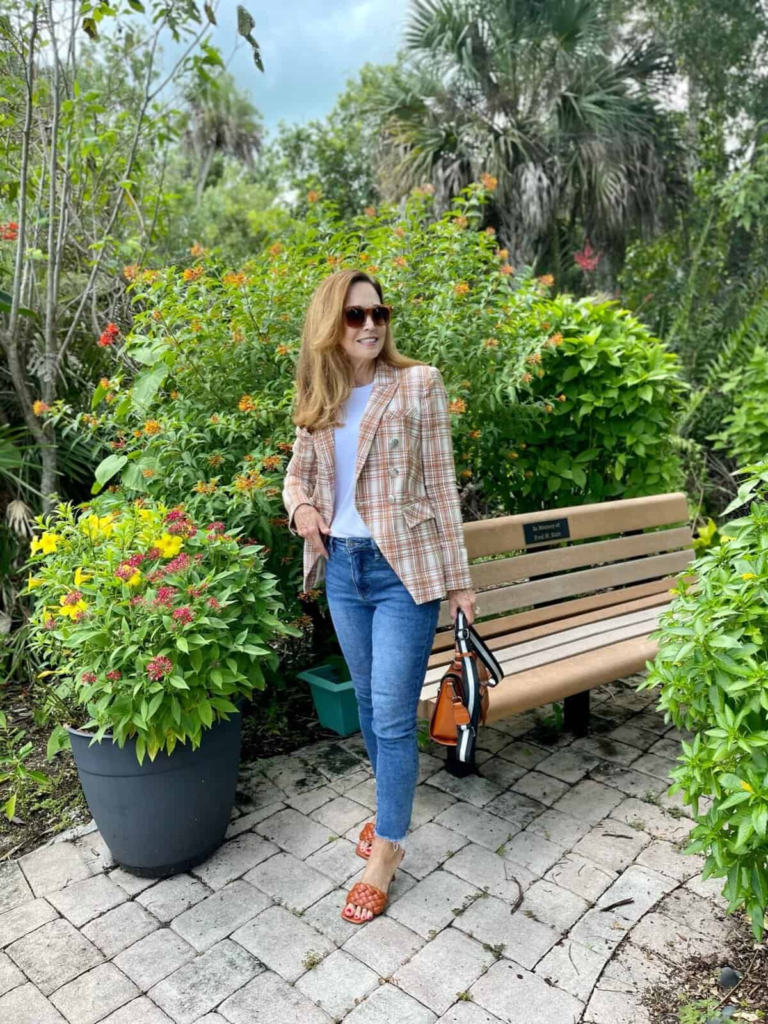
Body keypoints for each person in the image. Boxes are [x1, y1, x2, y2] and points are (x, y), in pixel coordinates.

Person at [282, 268, 476, 924]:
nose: (370, 325)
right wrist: (303, 508)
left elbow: (443, 487)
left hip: (402, 573)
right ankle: (387, 812)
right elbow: (296, 476)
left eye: (378, 313)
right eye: (355, 315)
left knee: (392, 716)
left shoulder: (418, 384)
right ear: (330, 326)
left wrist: (460, 581)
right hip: (343, 570)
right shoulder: (321, 394)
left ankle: (388, 847)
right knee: (367, 703)